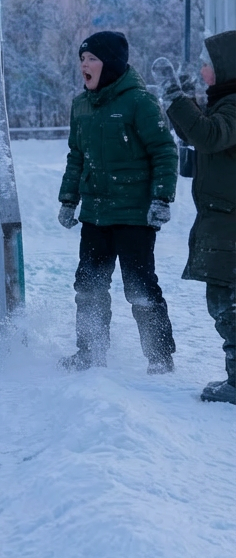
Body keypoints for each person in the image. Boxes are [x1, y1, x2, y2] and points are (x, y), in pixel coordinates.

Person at [58, 30, 178, 373]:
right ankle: (90, 351)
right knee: (89, 286)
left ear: (109, 64)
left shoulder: (139, 102)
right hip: (95, 214)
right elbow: (76, 156)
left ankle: (159, 357)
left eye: (91, 59)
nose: (84, 65)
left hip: (134, 215)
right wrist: (68, 199)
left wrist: (162, 198)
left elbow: (164, 152)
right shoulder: (80, 105)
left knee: (139, 287)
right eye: (82, 59)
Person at [160, 31, 236, 404]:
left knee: (228, 303)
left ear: (225, 67)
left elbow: (208, 135)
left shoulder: (235, 104)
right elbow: (199, 134)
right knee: (224, 301)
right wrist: (187, 101)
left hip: (231, 222)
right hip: (223, 219)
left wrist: (177, 101)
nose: (203, 68)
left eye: (207, 63)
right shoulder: (225, 101)